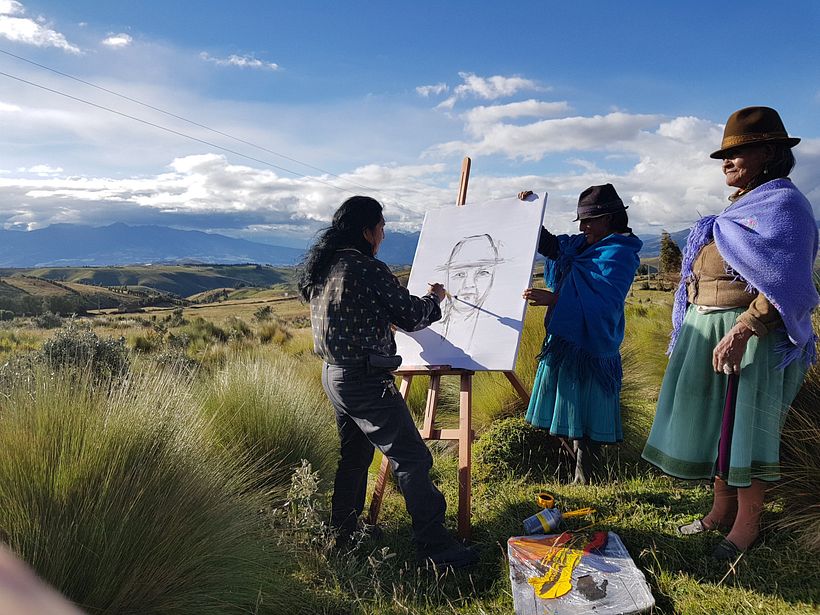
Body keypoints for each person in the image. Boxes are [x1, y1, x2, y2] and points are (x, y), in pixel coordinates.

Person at [642, 106, 818, 560]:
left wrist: (745, 327)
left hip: (752, 337)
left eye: (740, 152)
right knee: (722, 428)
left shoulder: (785, 207)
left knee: (747, 430)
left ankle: (746, 524)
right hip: (708, 329)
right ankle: (719, 510)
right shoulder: (742, 206)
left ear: (770, 154)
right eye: (724, 155)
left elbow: (789, 280)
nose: (727, 162)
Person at [297, 195, 478, 569]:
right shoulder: (367, 267)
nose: (383, 233)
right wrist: (435, 297)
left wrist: (379, 319)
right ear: (366, 231)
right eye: (381, 227)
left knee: (355, 457)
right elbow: (413, 316)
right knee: (411, 458)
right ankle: (435, 548)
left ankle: (344, 534)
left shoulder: (325, 266)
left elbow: (353, 313)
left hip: (334, 375)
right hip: (365, 378)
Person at [521, 185, 642, 484]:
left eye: (590, 220)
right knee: (569, 402)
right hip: (567, 338)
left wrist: (555, 299)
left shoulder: (620, 254)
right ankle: (569, 466)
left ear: (611, 218)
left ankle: (587, 471)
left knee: (586, 405)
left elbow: (605, 301)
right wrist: (529, 213)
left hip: (593, 341)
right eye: (581, 221)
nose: (584, 227)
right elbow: (552, 246)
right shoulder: (580, 245)